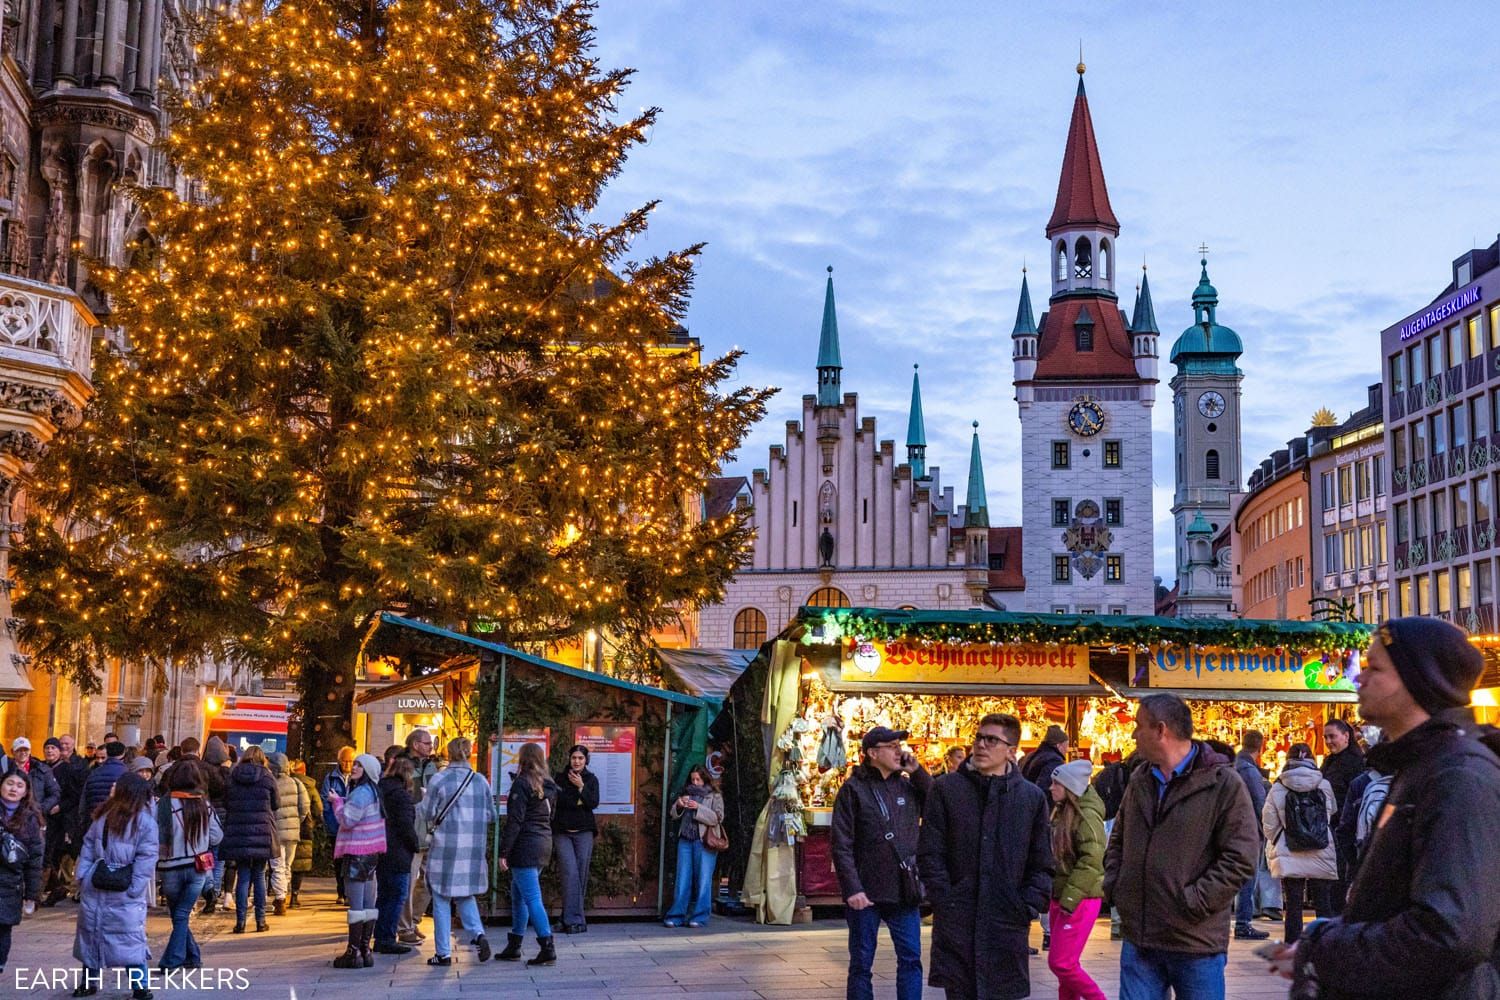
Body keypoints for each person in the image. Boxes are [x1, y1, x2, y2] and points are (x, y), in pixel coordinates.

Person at [1285, 618, 1500, 998]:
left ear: (1418, 681)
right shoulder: (1419, 766)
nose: (1359, 679)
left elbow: (1448, 933)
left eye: (1375, 668)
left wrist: (1323, 946)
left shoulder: (1456, 775)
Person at [1103, 693, 1257, 1000]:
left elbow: (1241, 857)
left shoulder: (1223, 783)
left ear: (1161, 730)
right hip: (1141, 936)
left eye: (1138, 726)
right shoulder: (1140, 779)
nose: (1133, 734)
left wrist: (1194, 901)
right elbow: (1119, 837)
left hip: (1194, 941)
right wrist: (1117, 885)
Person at [918, 712, 1053, 1000]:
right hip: (958, 922)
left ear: (1011, 751)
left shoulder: (1030, 798)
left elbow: (1041, 862)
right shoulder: (946, 789)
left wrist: (1027, 904)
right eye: (979, 738)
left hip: (1006, 923)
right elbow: (930, 852)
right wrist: (945, 898)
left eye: (992, 740)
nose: (981, 745)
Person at [830, 725, 932, 1000]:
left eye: (899, 745)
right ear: (873, 753)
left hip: (904, 889)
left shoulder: (907, 785)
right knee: (862, 962)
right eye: (892, 746)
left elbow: (936, 802)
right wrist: (852, 888)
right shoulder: (853, 789)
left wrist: (918, 771)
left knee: (911, 957)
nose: (899, 750)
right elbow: (841, 843)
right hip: (866, 891)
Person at [71, 773, 158, 1000]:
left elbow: (147, 857)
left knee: (129, 938)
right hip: (97, 885)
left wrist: (134, 888)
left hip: (123, 889)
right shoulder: (104, 816)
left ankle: (141, 986)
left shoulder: (144, 822)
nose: (112, 788)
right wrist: (83, 875)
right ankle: (88, 982)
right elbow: (89, 845)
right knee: (92, 934)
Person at [421, 737, 495, 966]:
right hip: (472, 848)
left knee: (441, 897)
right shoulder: (480, 781)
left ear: (449, 753)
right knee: (464, 894)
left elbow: (426, 813)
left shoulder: (439, 779)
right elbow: (491, 815)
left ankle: (443, 953)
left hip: (445, 847)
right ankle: (478, 934)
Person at [1261, 742, 1335, 945]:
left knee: (1293, 903)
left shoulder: (1278, 786)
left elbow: (1268, 821)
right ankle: (1324, 943)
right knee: (1322, 900)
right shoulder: (1324, 784)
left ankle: (1293, 943)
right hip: (1320, 846)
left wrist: (1279, 837)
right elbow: (1331, 812)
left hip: (1289, 849)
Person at [1048, 759, 1107, 1000]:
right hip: (1063, 895)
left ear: (1070, 787)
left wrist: (1070, 897)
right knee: (1066, 964)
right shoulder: (1063, 813)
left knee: (1061, 963)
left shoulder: (1086, 816)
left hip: (1079, 898)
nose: (1051, 788)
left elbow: (1092, 859)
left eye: (1056, 783)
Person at [155, 761, 222, 971]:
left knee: (179, 914)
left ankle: (171, 961)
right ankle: (191, 956)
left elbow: (152, 834)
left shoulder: (163, 805)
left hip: (169, 869)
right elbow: (217, 836)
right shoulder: (204, 805)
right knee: (180, 915)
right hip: (197, 868)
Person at [497, 742, 556, 965]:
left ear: (522, 759)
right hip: (543, 842)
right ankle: (514, 944)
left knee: (531, 897)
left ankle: (547, 947)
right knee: (518, 893)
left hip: (525, 845)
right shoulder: (549, 785)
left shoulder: (522, 784)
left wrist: (504, 851)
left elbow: (515, 821)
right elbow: (550, 817)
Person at [329, 753, 385, 969]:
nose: (353, 768)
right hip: (372, 853)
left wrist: (336, 803)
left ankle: (353, 953)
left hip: (356, 852)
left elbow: (348, 820)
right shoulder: (374, 792)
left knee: (356, 905)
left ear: (368, 770)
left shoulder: (360, 793)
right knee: (369, 904)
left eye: (359, 765)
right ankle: (365, 950)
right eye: (354, 764)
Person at [220, 745, 278, 934]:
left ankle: (241, 922)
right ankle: (261, 921)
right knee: (260, 875)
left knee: (243, 875)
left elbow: (226, 802)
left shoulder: (233, 776)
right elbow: (276, 803)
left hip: (239, 831)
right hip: (261, 830)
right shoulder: (267, 776)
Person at [662, 766, 724, 932]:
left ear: (705, 779)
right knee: (682, 879)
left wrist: (698, 807)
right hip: (686, 840)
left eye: (698, 779)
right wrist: (680, 805)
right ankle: (676, 916)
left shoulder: (714, 795)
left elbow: (717, 818)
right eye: (693, 779)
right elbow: (673, 814)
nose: (695, 782)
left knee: (703, 879)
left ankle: (700, 917)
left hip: (704, 841)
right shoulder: (686, 793)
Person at [396, 728, 439, 946]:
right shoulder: (402, 765)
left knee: (429, 880)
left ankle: (413, 920)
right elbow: (403, 796)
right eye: (427, 743)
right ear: (415, 745)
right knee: (409, 879)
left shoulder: (431, 765)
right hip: (412, 829)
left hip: (431, 828)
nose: (431, 747)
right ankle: (404, 927)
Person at [552, 743, 600, 935]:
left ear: (586, 760)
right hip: (563, 831)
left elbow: (593, 803)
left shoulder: (591, 779)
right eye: (574, 758)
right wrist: (578, 801)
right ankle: (575, 920)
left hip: (584, 831)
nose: (577, 761)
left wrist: (581, 788)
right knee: (569, 873)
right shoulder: (560, 778)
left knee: (580, 875)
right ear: (569, 759)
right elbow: (562, 801)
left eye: (581, 758)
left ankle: (568, 918)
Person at [1317, 717, 1363, 914]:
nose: (1328, 741)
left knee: (1339, 882)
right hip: (1328, 829)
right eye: (1325, 737)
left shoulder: (1355, 763)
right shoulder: (1329, 762)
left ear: (1346, 736)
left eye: (1332, 736)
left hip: (1343, 832)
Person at [0, 769, 43, 977]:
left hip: (10, 884)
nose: (13, 789)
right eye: (9, 783)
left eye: (19, 785)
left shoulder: (30, 819)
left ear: (26, 792)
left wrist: (32, 895)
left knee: (2, 931)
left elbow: (34, 860)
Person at [375, 757, 419, 955]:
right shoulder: (401, 795)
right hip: (398, 851)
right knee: (397, 895)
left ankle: (380, 935)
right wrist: (415, 845)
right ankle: (387, 938)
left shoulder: (381, 790)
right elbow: (406, 826)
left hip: (381, 848)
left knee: (384, 895)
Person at [1230, 730, 1272, 941]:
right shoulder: (1249, 770)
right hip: (1248, 831)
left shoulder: (1233, 767)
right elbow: (1259, 802)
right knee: (1248, 878)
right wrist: (1265, 830)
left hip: (1232, 829)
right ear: (1260, 747)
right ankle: (1243, 923)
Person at [266, 752, 310, 916]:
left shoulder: (271, 783)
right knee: (287, 865)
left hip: (276, 830)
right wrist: (296, 820)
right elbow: (304, 807)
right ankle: (284, 894)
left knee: (276, 865)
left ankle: (280, 897)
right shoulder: (297, 783)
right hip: (292, 831)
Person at [199, 737, 231, 914]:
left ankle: (208, 889)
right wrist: (226, 770)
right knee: (218, 859)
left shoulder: (201, 769)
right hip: (220, 818)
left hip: (204, 818)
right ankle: (214, 891)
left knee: (205, 857)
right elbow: (226, 790)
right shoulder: (221, 772)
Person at [321, 746, 354, 905]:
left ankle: (349, 892)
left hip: (352, 827)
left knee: (351, 860)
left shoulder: (357, 778)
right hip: (335, 825)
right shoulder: (331, 778)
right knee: (339, 861)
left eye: (350, 761)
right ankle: (341, 892)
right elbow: (326, 799)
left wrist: (338, 800)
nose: (347, 764)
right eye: (344, 761)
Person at [288, 760, 322, 908]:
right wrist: (313, 821)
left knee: (284, 861)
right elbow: (318, 808)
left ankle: (280, 893)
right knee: (300, 863)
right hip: (304, 828)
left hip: (286, 827)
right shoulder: (310, 786)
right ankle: (294, 895)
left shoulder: (284, 783)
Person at [6, 737, 61, 820]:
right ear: (12, 752)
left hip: (34, 817)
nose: (23, 753)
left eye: (26, 750)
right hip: (10, 815)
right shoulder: (5, 769)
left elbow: (55, 793)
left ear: (30, 751)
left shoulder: (42, 769)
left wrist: (40, 809)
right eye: (19, 750)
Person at [1020, 724, 1068, 790]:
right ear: (1058, 745)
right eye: (1066, 746)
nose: (1067, 750)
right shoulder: (1054, 760)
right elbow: (1044, 788)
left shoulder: (1028, 756)